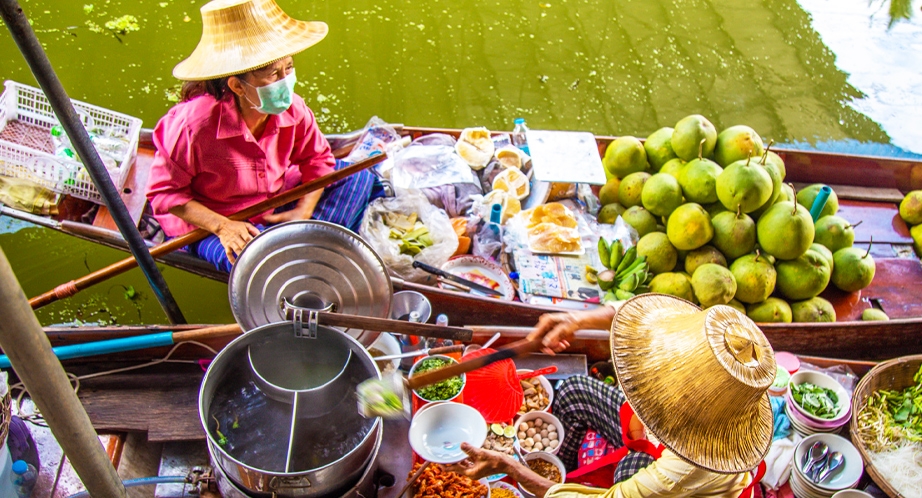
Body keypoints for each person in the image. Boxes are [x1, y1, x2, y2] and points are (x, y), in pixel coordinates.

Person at [447, 294, 775, 498]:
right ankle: (564, 467)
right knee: (575, 390)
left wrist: (516, 471)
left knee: (630, 470)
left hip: (672, 475)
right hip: (655, 437)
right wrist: (577, 319)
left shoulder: (690, 466)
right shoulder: (704, 342)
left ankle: (560, 482)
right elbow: (639, 314)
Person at [146, 0, 381, 272]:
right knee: (255, 260)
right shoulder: (193, 126)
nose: (285, 81)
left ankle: (303, 245)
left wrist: (303, 211)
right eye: (273, 74)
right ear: (237, 85)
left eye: (289, 68)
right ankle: (307, 250)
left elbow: (318, 161)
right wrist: (223, 226)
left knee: (358, 178)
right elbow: (166, 194)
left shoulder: (294, 109)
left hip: (273, 200)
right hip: (214, 222)